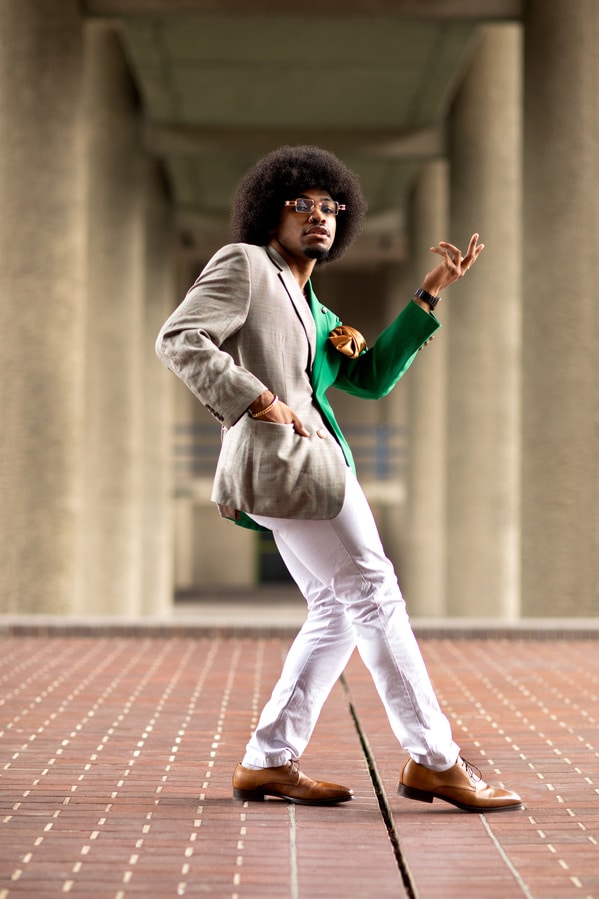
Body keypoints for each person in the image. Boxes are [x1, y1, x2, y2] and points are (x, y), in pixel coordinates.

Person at [156, 145, 523, 813]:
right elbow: (180, 337)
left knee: (337, 611)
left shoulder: (316, 307)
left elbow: (372, 378)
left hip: (316, 466)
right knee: (374, 594)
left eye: (332, 207)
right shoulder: (244, 265)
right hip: (286, 461)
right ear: (272, 210)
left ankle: (267, 760)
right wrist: (259, 398)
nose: (319, 216)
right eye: (303, 204)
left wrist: (428, 292)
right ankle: (435, 759)